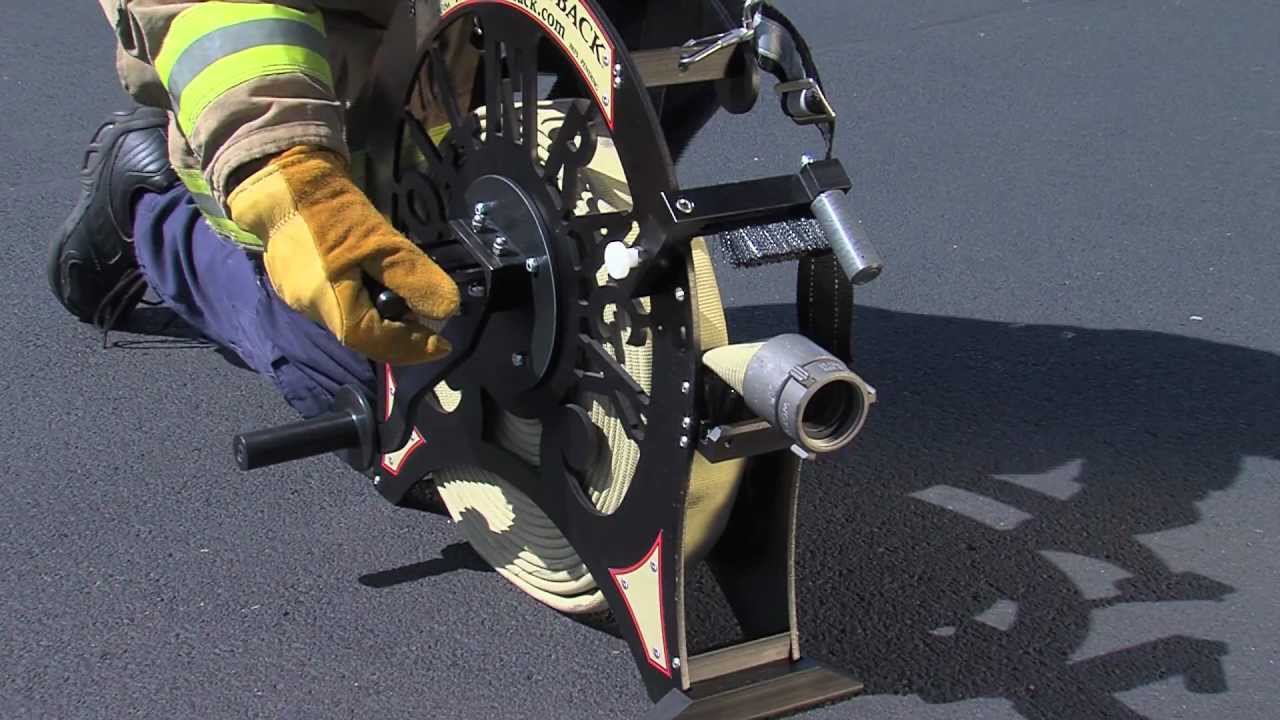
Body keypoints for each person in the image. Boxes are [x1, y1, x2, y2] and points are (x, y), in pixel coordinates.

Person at [49, 1, 461, 419]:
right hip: (298, 164)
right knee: (381, 388)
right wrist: (290, 176)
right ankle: (155, 212)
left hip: (442, 180)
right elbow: (207, 13)